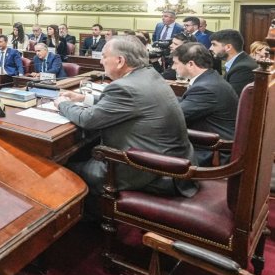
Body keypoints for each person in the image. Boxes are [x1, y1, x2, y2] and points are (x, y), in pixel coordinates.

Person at [55, 36, 196, 200]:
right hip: (174, 161)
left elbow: (88, 119)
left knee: (61, 168)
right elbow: (126, 104)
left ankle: (83, 218)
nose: (101, 62)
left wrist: (62, 104)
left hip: (150, 170)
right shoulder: (149, 75)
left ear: (120, 61)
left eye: (104, 56)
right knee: (83, 152)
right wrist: (82, 98)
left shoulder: (125, 87)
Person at [171, 44, 238, 164]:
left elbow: (176, 117)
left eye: (175, 63)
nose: (172, 67)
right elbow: (187, 102)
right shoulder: (210, 78)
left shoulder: (206, 88)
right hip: (208, 144)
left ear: (190, 64)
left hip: (211, 153)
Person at [210, 29, 258, 96]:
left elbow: (231, 99)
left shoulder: (243, 68)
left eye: (214, 44)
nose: (210, 48)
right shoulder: (240, 62)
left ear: (228, 47)